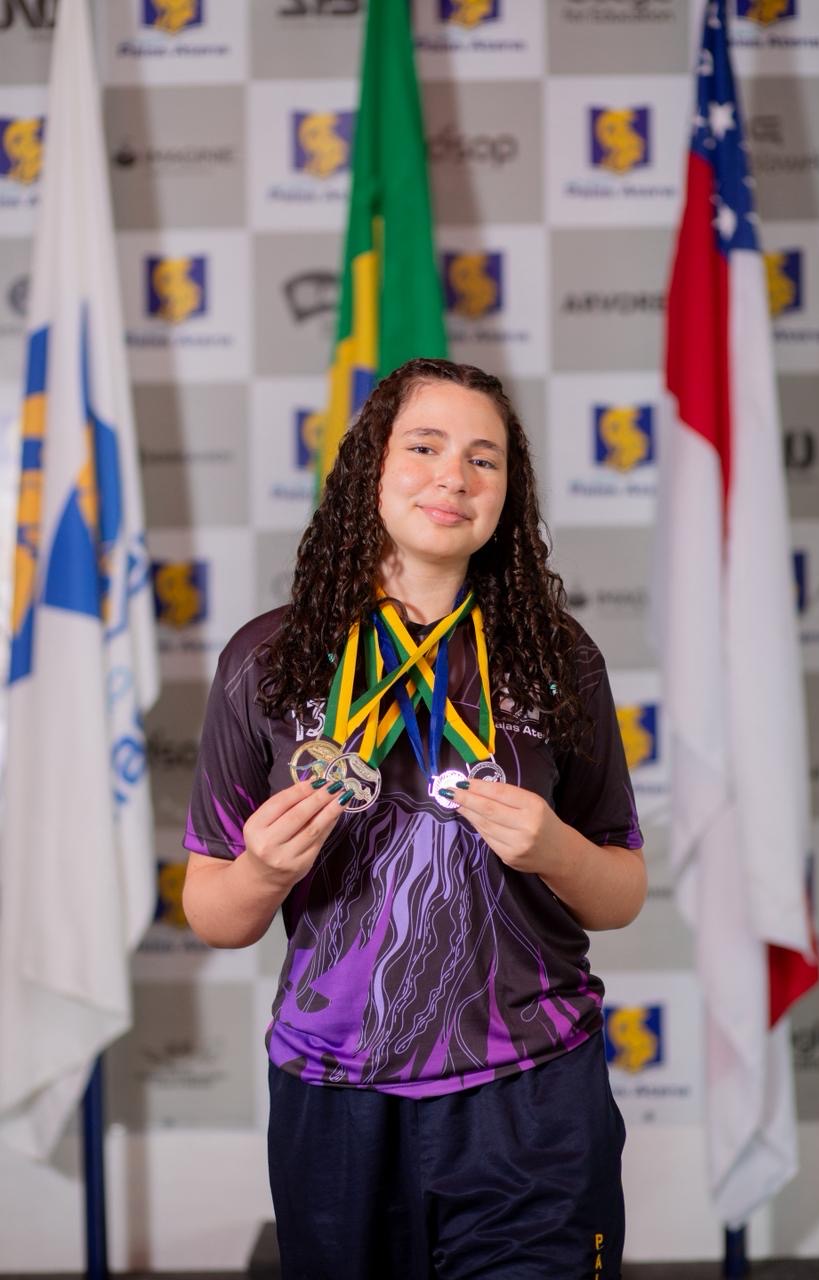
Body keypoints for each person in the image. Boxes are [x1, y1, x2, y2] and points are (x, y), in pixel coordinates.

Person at [182, 357, 646, 1280]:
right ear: (371, 468)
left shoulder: (558, 657)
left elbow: (622, 891)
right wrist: (263, 873)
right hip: (336, 1094)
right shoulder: (267, 659)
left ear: (508, 493)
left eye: (485, 460)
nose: (454, 477)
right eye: (425, 447)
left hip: (530, 1090)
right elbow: (212, 913)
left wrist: (555, 849)